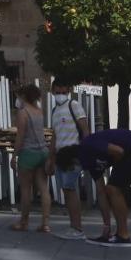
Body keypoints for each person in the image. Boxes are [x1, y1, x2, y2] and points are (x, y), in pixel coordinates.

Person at [79, 128, 131, 248]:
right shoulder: (90, 164)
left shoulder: (89, 144)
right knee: (112, 189)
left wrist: (117, 170)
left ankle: (123, 235)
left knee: (113, 188)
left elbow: (119, 151)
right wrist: (106, 226)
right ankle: (119, 234)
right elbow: (101, 192)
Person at [50, 80, 91, 240]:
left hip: (73, 152)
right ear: (53, 91)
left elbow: (85, 129)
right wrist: (51, 157)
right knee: (67, 190)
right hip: (61, 154)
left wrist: (84, 151)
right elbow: (55, 134)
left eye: (63, 91)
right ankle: (73, 226)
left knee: (70, 189)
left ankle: (77, 227)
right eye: (57, 91)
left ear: (68, 90)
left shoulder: (74, 105)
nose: (60, 94)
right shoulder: (54, 110)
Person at [9, 84, 52, 233]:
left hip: (28, 153)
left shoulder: (23, 113)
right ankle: (45, 223)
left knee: (26, 189)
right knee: (43, 188)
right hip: (43, 152)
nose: (17, 99)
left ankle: (24, 222)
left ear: (24, 96)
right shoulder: (39, 111)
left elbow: (20, 136)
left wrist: (14, 155)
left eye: (19, 96)